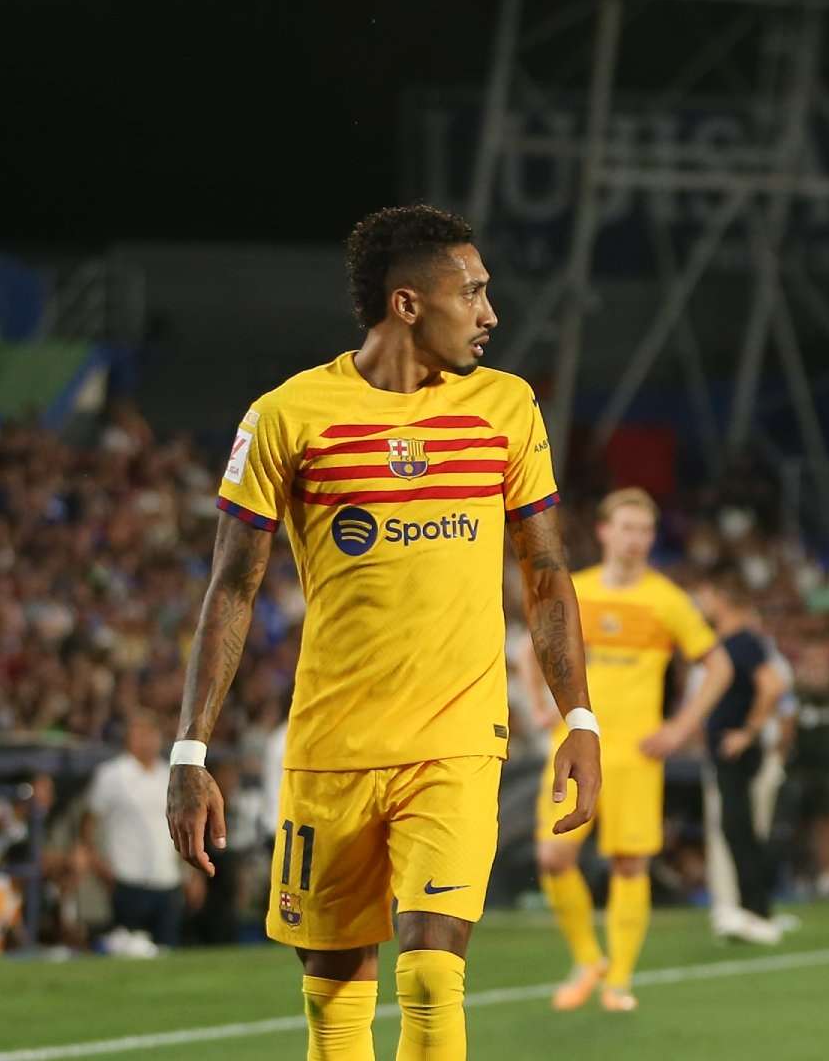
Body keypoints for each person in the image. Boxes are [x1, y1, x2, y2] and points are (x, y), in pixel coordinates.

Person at [164, 204, 601, 1061]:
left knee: (435, 978)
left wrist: (578, 718)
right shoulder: (288, 417)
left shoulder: (506, 408)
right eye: (470, 293)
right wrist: (189, 753)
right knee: (334, 1000)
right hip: (331, 746)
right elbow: (232, 587)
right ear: (407, 304)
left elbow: (546, 575)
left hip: (458, 739)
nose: (490, 314)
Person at [530, 487, 729, 1012]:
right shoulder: (579, 590)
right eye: (626, 527)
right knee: (553, 856)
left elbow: (719, 666)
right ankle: (587, 958)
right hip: (576, 743)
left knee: (629, 864)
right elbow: (540, 641)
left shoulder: (667, 599)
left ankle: (618, 979)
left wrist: (680, 729)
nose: (635, 539)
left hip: (637, 752)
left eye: (644, 530)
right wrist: (539, 702)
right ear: (603, 531)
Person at [690, 573, 790, 944]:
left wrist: (747, 731)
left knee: (739, 829)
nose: (700, 603)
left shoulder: (743, 642)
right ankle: (752, 908)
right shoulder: (730, 642)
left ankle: (757, 910)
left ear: (720, 597)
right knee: (736, 830)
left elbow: (773, 686)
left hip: (737, 748)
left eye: (704, 594)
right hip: (725, 746)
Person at [88, 712, 185, 949]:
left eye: (151, 733)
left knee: (167, 951)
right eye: (140, 733)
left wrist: (188, 872)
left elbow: (180, 826)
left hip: (166, 878)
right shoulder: (111, 775)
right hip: (127, 877)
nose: (147, 740)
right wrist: (100, 865)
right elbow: (89, 824)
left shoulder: (169, 775)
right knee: (128, 949)